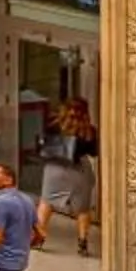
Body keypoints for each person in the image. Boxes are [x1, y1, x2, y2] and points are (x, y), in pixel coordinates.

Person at [40, 96, 99, 256]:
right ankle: (82, 243)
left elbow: (43, 143)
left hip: (55, 168)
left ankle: (39, 237)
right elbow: (94, 152)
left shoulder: (53, 124)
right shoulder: (89, 130)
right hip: (78, 169)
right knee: (83, 209)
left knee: (47, 202)